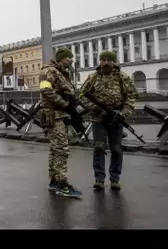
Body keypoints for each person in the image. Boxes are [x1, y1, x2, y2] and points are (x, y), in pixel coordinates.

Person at [79, 51, 137, 191]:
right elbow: (82, 95)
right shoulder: (93, 77)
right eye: (103, 60)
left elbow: (132, 96)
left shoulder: (123, 77)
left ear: (114, 62)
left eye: (109, 60)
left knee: (116, 149)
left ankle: (115, 178)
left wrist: (123, 113)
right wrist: (95, 108)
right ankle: (99, 178)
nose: (105, 63)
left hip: (116, 118)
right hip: (98, 118)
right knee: (99, 146)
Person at [38, 47, 82, 198]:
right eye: (69, 57)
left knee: (55, 149)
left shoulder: (63, 73)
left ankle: (55, 181)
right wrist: (65, 104)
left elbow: (65, 91)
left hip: (60, 115)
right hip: (54, 115)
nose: (71, 60)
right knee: (62, 149)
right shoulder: (49, 71)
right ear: (62, 58)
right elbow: (45, 90)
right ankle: (62, 184)